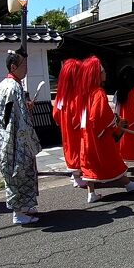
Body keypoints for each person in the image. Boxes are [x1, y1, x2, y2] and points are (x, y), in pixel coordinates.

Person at [78, 56, 134, 203]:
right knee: (111, 159)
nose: (105, 73)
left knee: (90, 163)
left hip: (87, 134)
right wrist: (114, 121)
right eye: (102, 70)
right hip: (100, 135)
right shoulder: (98, 93)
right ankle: (128, 184)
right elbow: (100, 115)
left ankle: (91, 193)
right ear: (97, 74)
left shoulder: (84, 93)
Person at [0, 47, 42, 225]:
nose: (26, 68)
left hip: (8, 138)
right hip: (17, 140)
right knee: (18, 175)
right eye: (23, 65)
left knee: (21, 174)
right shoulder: (14, 87)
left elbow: (4, 115)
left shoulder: (2, 86)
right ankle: (18, 212)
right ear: (13, 67)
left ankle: (25, 207)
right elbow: (16, 119)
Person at [53, 58, 86, 188]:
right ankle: (78, 176)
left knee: (69, 150)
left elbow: (56, 114)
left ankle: (75, 175)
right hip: (77, 130)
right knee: (79, 151)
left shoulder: (61, 95)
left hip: (66, 129)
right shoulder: (78, 94)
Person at [114, 65, 134, 169]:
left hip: (123, 123)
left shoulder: (119, 92)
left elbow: (117, 107)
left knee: (123, 144)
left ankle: (123, 161)